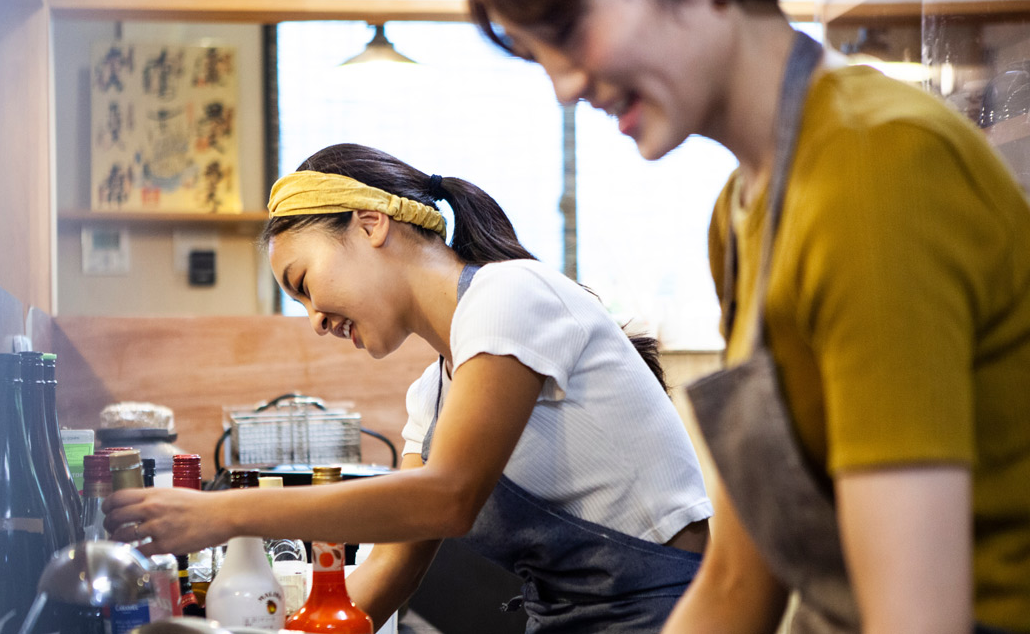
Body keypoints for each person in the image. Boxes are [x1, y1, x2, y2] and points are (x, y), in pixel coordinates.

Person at [441, 0, 1030, 632]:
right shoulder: (743, 211)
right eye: (538, 54)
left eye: (570, 27)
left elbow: (916, 619)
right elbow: (736, 580)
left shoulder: (875, 166)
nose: (566, 86)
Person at [104, 142, 713, 632]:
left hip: (671, 617)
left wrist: (224, 515)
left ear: (371, 225)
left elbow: (446, 498)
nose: (315, 319)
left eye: (306, 283)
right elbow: (394, 559)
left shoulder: (511, 294)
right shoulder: (433, 395)